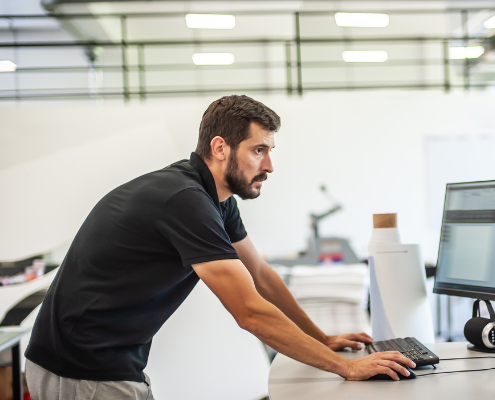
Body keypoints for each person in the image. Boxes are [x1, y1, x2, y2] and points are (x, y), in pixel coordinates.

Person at [25, 95, 414, 400]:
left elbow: (261, 277)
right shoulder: (184, 200)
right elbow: (248, 311)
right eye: (258, 150)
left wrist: (321, 339)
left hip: (100, 362)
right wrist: (345, 367)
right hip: (78, 369)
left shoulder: (217, 200)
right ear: (221, 147)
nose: (270, 165)